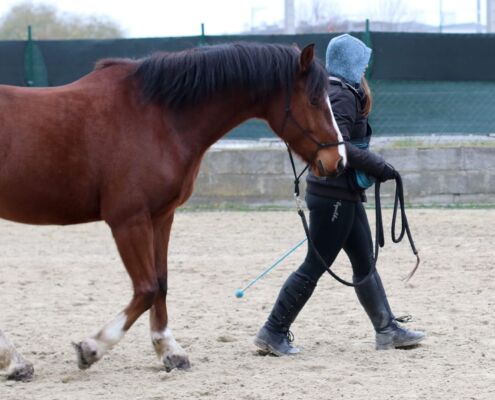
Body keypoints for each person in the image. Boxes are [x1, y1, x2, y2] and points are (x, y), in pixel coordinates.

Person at [254, 34, 425, 356]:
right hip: (333, 196)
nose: (365, 69)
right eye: (362, 63)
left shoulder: (335, 91)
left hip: (342, 193)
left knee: (364, 262)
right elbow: (340, 146)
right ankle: (273, 331)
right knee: (314, 266)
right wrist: (381, 167)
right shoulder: (341, 94)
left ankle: (387, 329)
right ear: (352, 64)